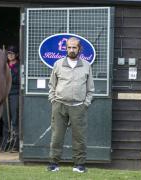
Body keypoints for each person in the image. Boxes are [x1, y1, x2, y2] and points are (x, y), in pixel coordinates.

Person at [47, 37, 95, 173]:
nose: (71, 50)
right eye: (69, 47)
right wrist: (53, 99)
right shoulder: (58, 64)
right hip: (60, 105)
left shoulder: (86, 65)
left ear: (79, 49)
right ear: (66, 48)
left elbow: (90, 88)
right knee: (57, 136)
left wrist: (86, 103)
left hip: (79, 106)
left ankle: (79, 165)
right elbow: (52, 84)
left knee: (79, 137)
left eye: (74, 47)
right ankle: (53, 163)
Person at [0, 45, 20, 152]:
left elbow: (17, 81)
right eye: (8, 53)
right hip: (5, 94)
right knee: (5, 119)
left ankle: (15, 144)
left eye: (12, 53)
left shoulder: (19, 67)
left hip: (15, 93)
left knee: (14, 119)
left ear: (16, 55)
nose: (10, 55)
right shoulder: (3, 66)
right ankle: (5, 143)